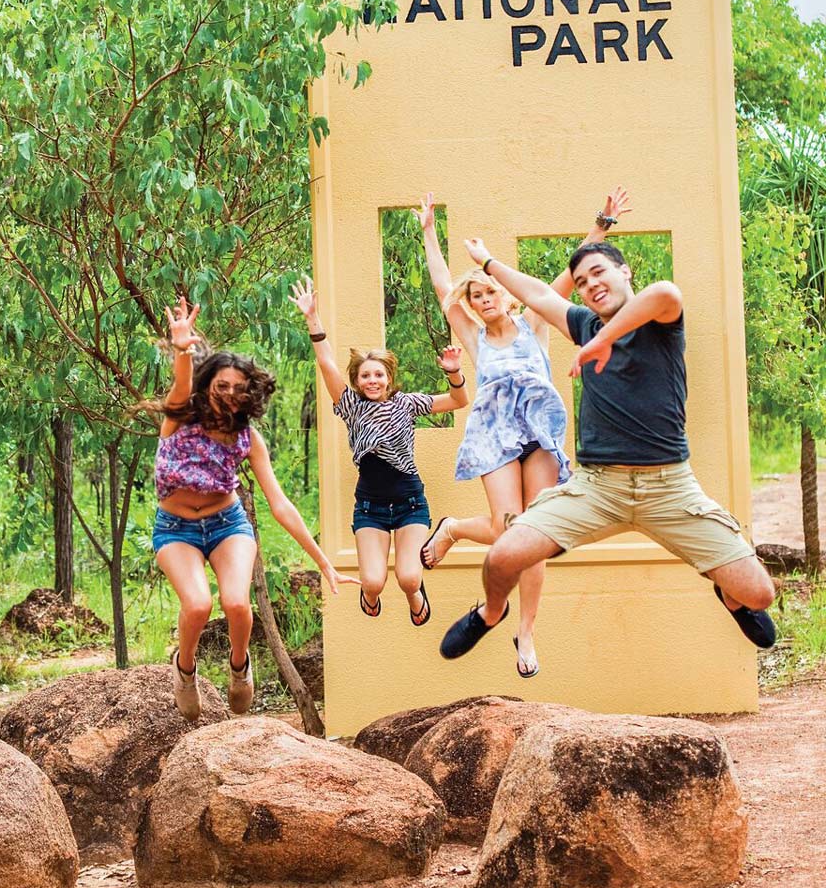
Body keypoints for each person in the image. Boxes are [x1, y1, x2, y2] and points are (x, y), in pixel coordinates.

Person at [437, 236, 777, 661]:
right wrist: (488, 262)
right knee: (503, 556)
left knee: (760, 594)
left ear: (624, 272)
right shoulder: (582, 324)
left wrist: (602, 341)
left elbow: (664, 293)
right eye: (581, 281)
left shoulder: (662, 321)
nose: (590, 284)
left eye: (599, 272)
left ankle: (731, 598)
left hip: (669, 487)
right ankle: (490, 614)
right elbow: (539, 294)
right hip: (597, 489)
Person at [416, 189, 630, 677]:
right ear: (470, 306)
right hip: (494, 434)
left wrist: (602, 225)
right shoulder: (473, 337)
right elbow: (441, 283)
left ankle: (526, 632)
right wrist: (429, 231)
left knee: (537, 533)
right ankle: (453, 528)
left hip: (539, 431)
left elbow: (571, 275)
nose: (485, 299)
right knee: (503, 528)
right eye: (476, 296)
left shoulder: (534, 321)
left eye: (490, 291)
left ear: (504, 293)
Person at [154, 296, 344, 720]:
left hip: (227, 523)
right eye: (221, 386)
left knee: (238, 604)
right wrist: (183, 349)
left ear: (249, 394)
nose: (229, 395)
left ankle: (240, 668)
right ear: (208, 386)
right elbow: (181, 384)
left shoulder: (248, 439)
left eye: (239, 389)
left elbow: (280, 504)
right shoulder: (180, 417)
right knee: (199, 605)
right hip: (176, 527)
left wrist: (323, 562)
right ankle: (185, 670)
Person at [290, 276, 469, 627]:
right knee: (373, 581)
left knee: (408, 577)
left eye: (379, 375)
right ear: (357, 381)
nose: (372, 380)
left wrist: (454, 372)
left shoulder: (407, 403)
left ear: (389, 377)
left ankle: (415, 594)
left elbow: (459, 401)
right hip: (370, 506)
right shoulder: (350, 405)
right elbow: (326, 363)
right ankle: (370, 594)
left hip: (410, 503)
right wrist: (313, 319)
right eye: (365, 376)